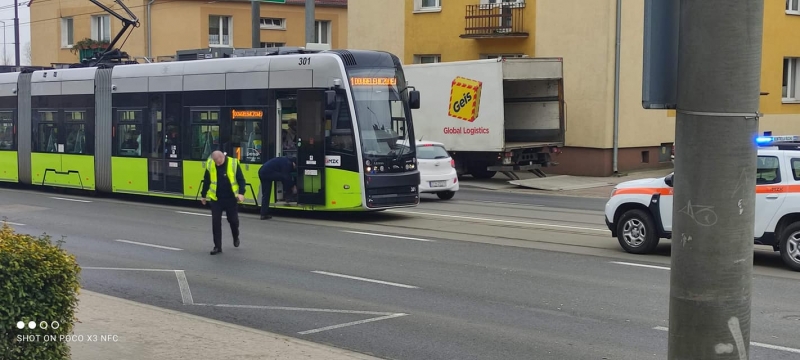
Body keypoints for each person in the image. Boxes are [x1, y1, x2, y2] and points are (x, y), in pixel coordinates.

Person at [200, 150, 246, 255]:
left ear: (222, 157)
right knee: (215, 222)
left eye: (219, 161)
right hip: (216, 199)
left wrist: (241, 193)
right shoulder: (210, 164)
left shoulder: (233, 163)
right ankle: (217, 247)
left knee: (233, 221)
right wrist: (203, 195)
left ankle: (236, 236)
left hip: (230, 198)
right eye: (215, 161)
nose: (217, 164)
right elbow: (206, 180)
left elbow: (241, 180)